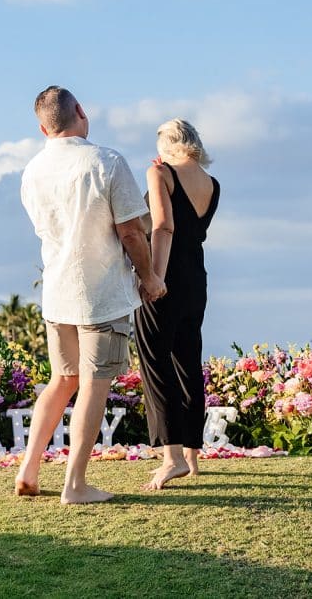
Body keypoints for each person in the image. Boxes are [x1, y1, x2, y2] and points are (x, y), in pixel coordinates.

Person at [15, 86, 166, 504]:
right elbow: (132, 231)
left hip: (57, 291)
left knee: (62, 380)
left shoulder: (32, 171)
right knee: (94, 385)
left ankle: (29, 469)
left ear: (43, 127)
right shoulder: (106, 161)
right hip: (100, 293)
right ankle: (75, 484)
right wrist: (150, 277)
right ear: (80, 111)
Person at [135, 119, 220, 490]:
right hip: (196, 278)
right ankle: (191, 456)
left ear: (168, 146)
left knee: (155, 362)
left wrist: (154, 278)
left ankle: (170, 458)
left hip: (166, 274)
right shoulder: (212, 183)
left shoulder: (161, 173)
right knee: (188, 363)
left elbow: (163, 227)